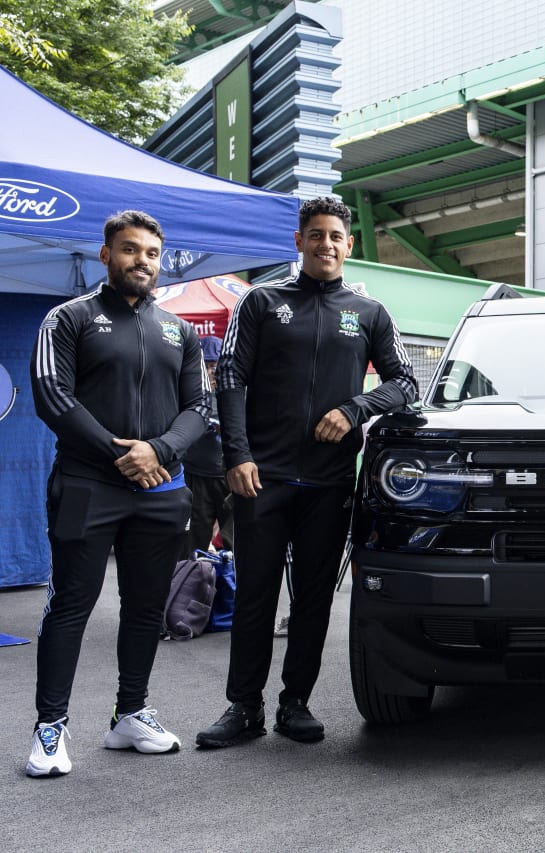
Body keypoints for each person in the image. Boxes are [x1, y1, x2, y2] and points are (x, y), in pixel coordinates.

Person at [196, 196, 418, 748]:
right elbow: (230, 379)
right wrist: (237, 456)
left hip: (330, 481)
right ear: (299, 242)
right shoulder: (262, 302)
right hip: (262, 475)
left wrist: (355, 409)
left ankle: (295, 703)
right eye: (315, 235)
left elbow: (406, 384)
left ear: (349, 244)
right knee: (255, 596)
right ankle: (243, 706)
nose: (326, 245)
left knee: (313, 598)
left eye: (336, 236)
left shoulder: (369, 312)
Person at [25, 210, 209, 777]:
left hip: (159, 490)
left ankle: (130, 714)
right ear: (106, 255)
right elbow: (52, 396)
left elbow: (200, 408)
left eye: (152, 253)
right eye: (130, 251)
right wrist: (120, 454)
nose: (142, 262)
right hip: (87, 484)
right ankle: (50, 729)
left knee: (146, 607)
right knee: (70, 607)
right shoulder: (68, 318)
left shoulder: (179, 330)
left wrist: (159, 452)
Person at [184, 335, 233, 555]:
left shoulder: (232, 392)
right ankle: (188, 586)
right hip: (196, 476)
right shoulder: (189, 392)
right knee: (193, 542)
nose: (211, 372)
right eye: (207, 366)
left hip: (229, 475)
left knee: (235, 543)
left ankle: (232, 587)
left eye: (215, 366)